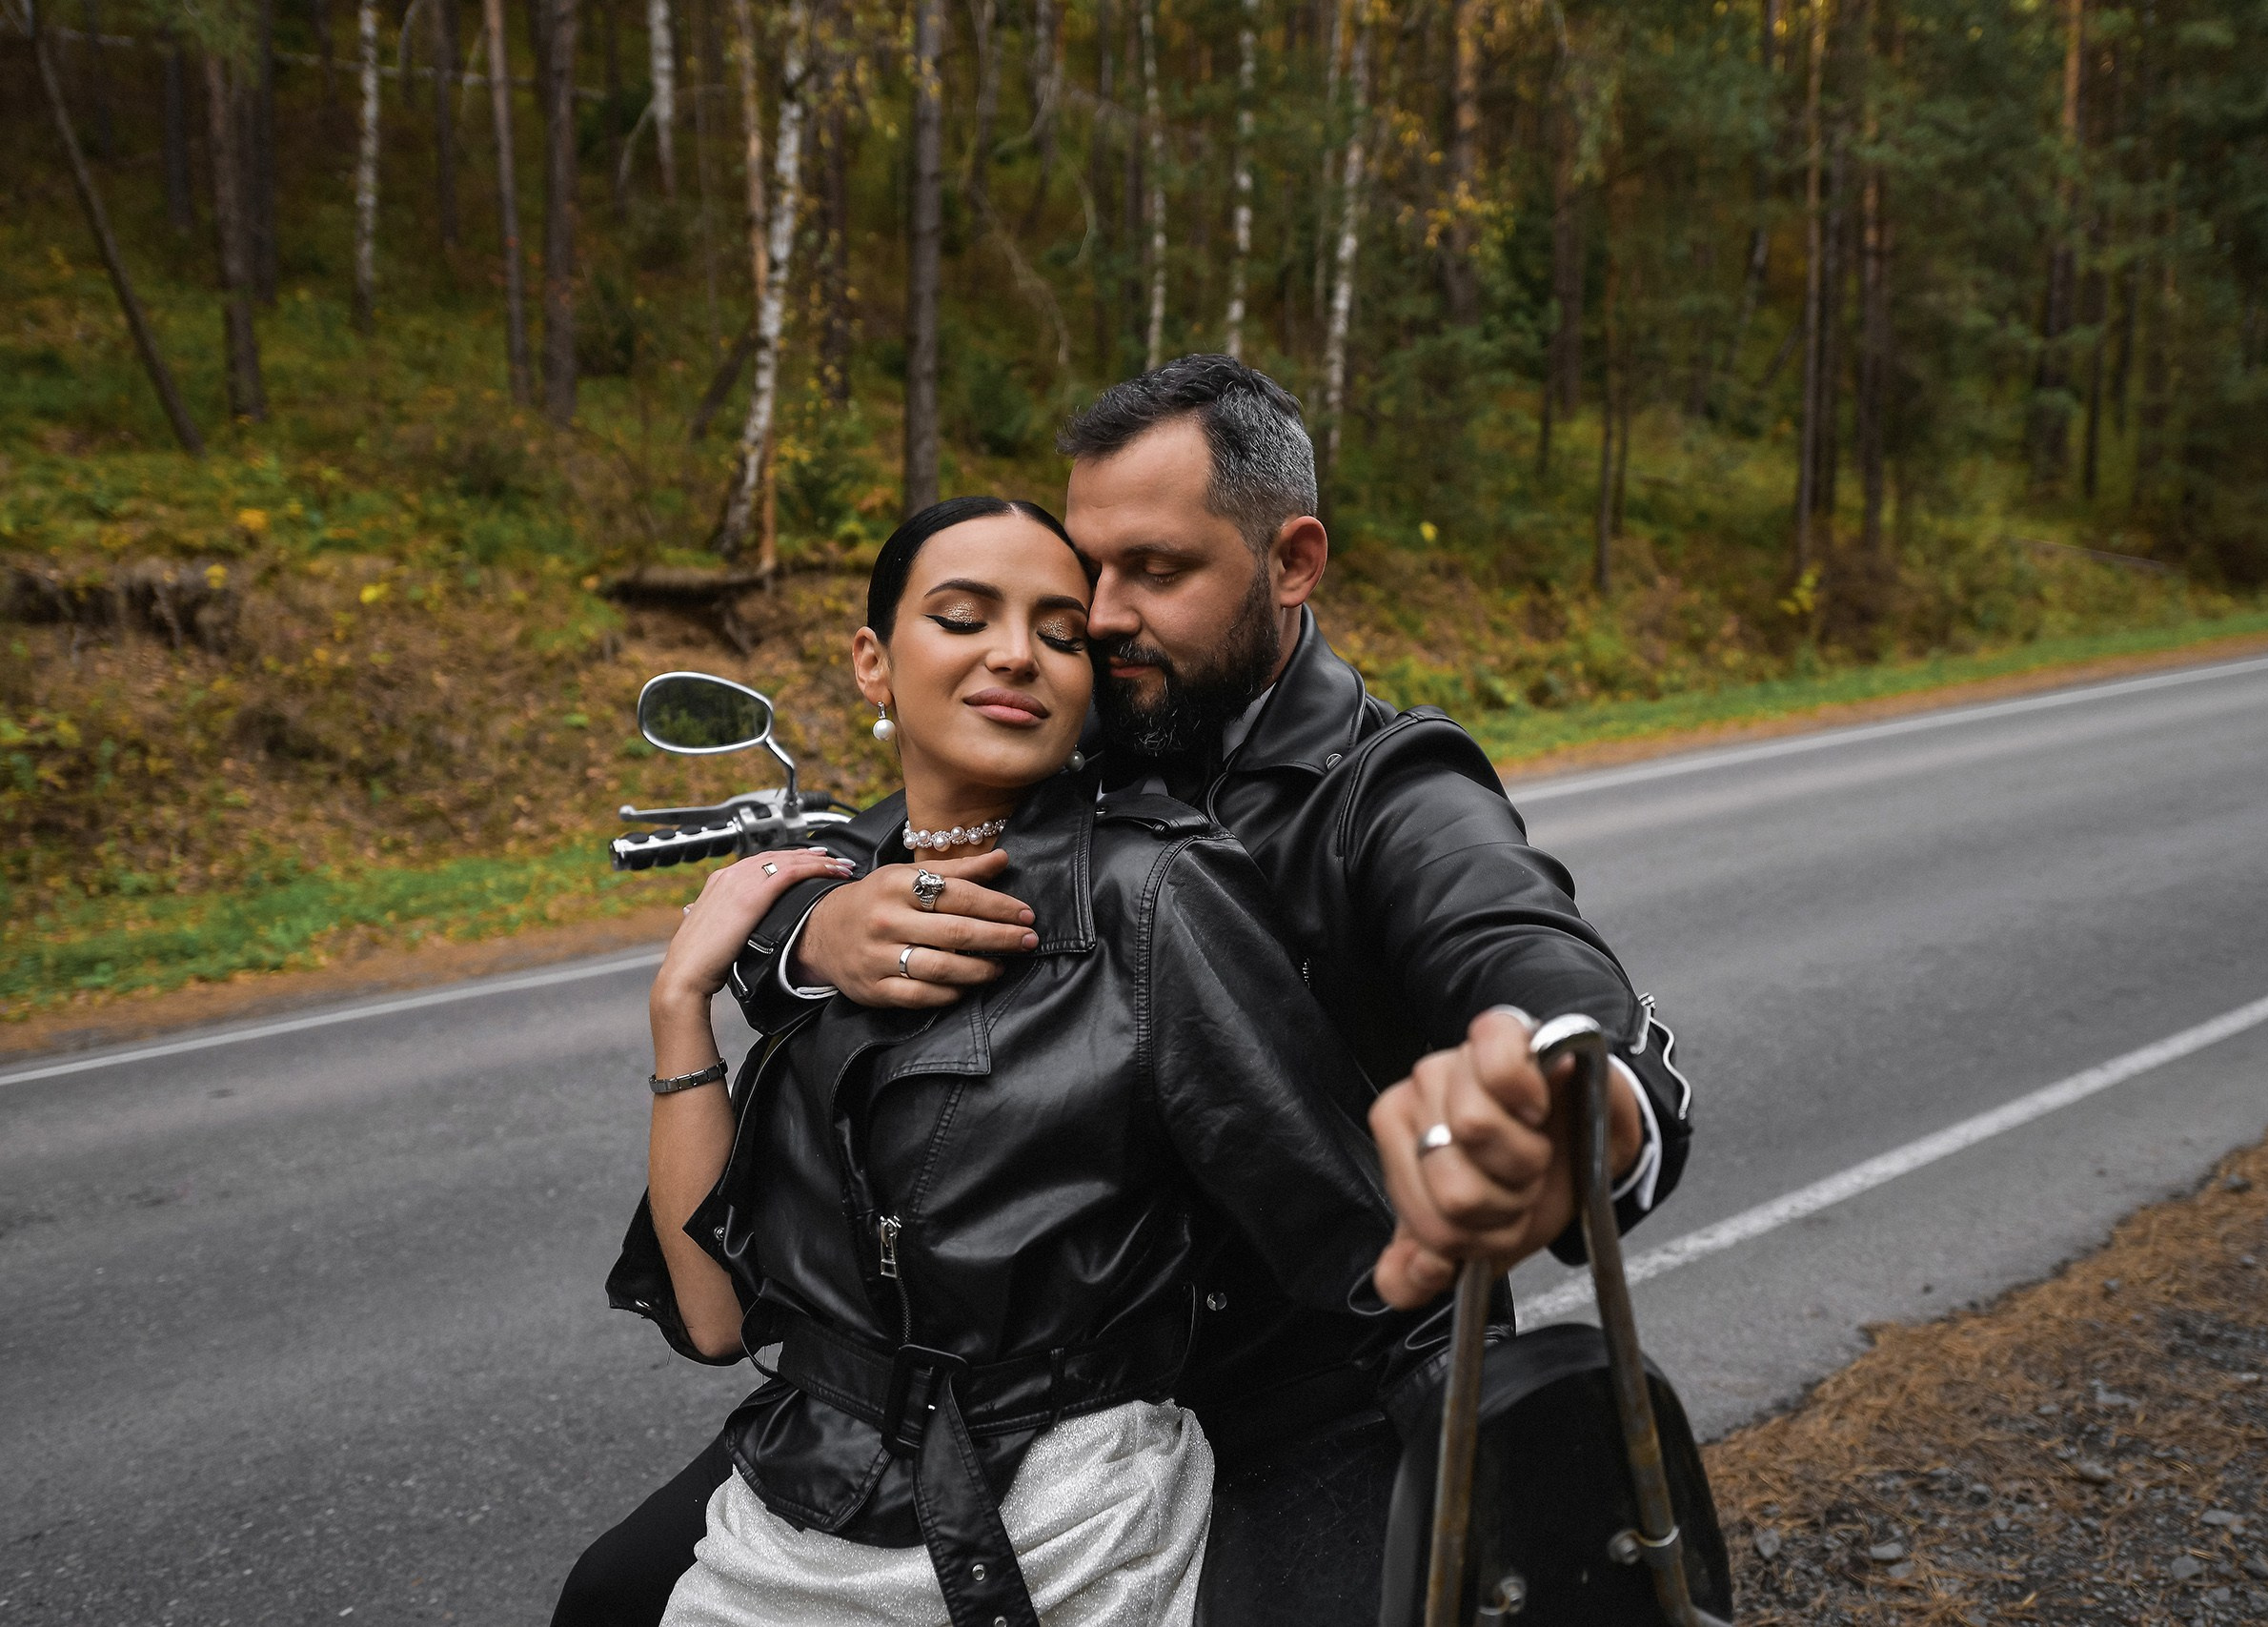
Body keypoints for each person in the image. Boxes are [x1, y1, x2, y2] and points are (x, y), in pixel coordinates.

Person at [554, 358, 1692, 1625]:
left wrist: (1580, 1099)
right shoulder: (1086, 720)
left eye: (1154, 570)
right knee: (610, 1593)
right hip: (999, 1385)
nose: (1092, 618)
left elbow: (1525, 947)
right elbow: (869, 835)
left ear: (1292, 560)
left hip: (1308, 1381)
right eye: (1079, 571)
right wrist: (807, 927)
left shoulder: (1393, 789)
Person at [614, 496, 1420, 1627]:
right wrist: (681, 1004)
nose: (1015, 654)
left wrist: (1499, 1446)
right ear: (872, 664)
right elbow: (715, 1321)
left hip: (1068, 1530)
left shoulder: (1153, 893)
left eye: (1058, 632)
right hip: (801, 1508)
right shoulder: (825, 910)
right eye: (961, 616)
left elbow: (1354, 1232)